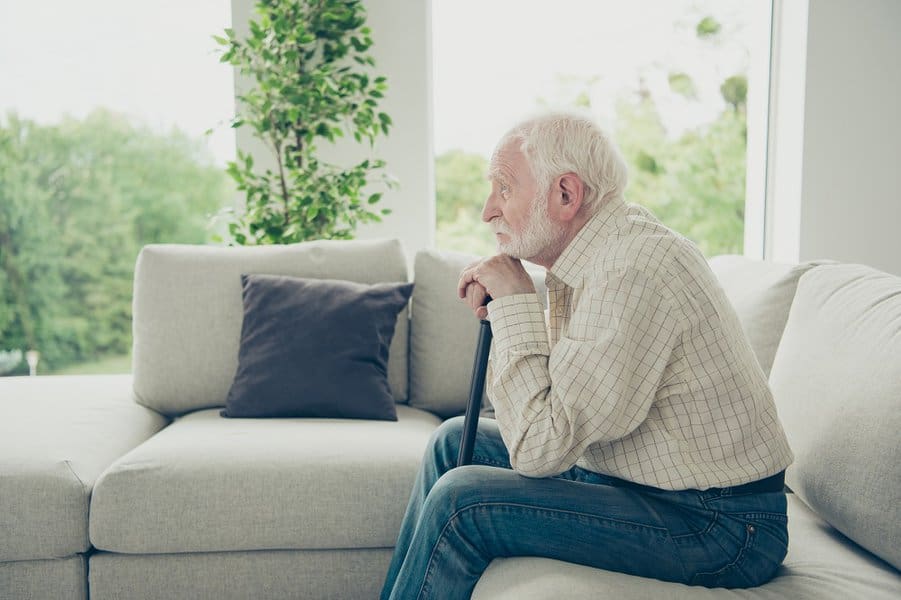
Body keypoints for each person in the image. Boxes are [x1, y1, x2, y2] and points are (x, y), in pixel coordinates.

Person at [380, 112, 793, 599]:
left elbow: (540, 447)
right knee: (452, 442)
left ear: (565, 195)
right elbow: (562, 414)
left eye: (504, 189)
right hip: (646, 483)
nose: (488, 210)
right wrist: (517, 305)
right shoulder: (592, 258)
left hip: (722, 524)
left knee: (461, 502)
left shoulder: (631, 270)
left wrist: (514, 304)